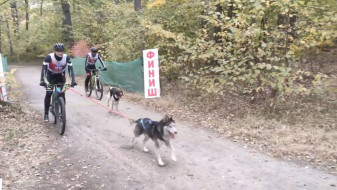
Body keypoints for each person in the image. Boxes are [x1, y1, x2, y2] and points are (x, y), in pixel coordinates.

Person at [40, 43, 77, 122]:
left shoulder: (66, 57)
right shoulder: (49, 57)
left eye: (62, 51)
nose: (61, 53)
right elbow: (44, 70)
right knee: (49, 93)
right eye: (58, 51)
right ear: (55, 51)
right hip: (51, 77)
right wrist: (42, 80)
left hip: (60, 76)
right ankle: (46, 114)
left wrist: (73, 80)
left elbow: (70, 70)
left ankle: (62, 113)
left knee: (61, 93)